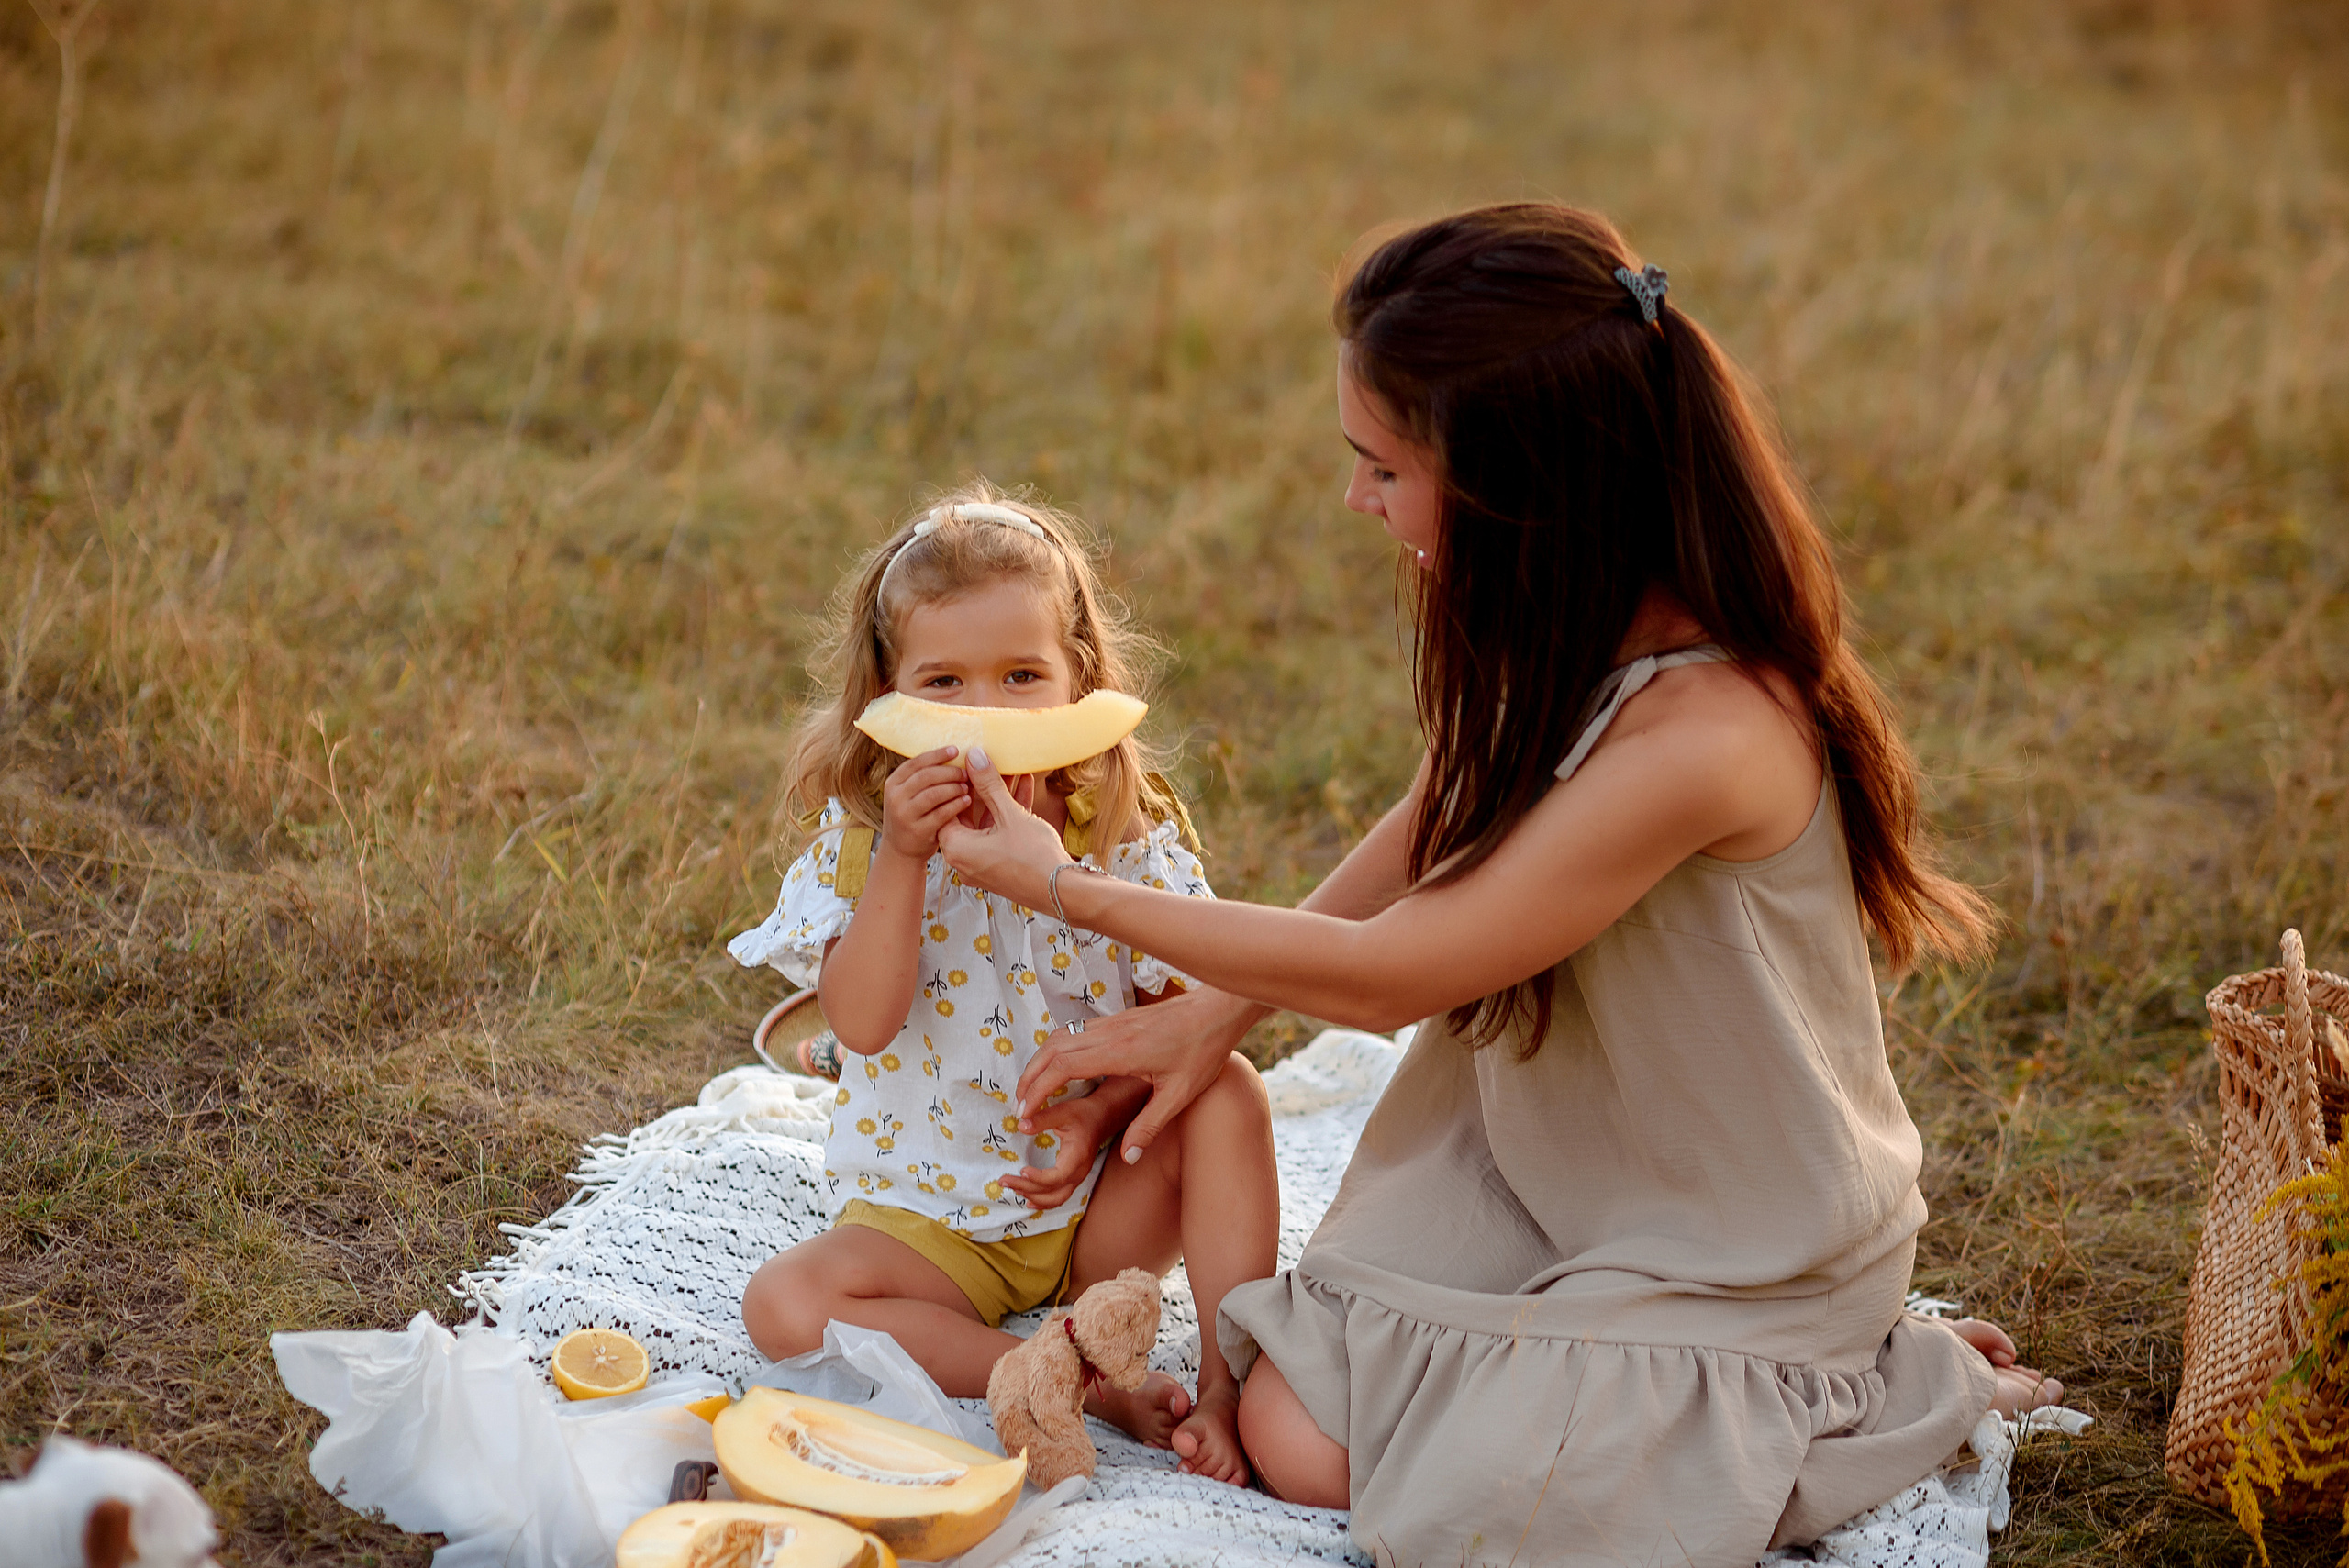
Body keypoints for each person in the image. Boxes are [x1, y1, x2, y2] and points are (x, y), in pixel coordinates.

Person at [936, 206, 2063, 1565]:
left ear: (1520, 484)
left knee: (1475, 1514)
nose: (1357, 499)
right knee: (1299, 1433)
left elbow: (1408, 970)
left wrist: (1066, 887)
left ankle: (1883, 1383)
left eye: (1382, 467)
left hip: (1728, 1233)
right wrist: (1209, 1010)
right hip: (1559, 1159)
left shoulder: (1711, 736)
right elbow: (1437, 816)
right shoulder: (1573, 620)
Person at [729, 484, 1275, 1483]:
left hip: (1095, 1209)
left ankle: (1237, 1381)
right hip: (928, 1231)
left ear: (1079, 680)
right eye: (945, 682)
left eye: (1022, 675)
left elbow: (1177, 1034)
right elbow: (858, 1020)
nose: (985, 715)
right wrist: (900, 854)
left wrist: (1100, 1120)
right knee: (784, 1304)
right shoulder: (867, 844)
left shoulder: (1119, 827)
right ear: (887, 697)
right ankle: (1069, 1374)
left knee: (1231, 1084)